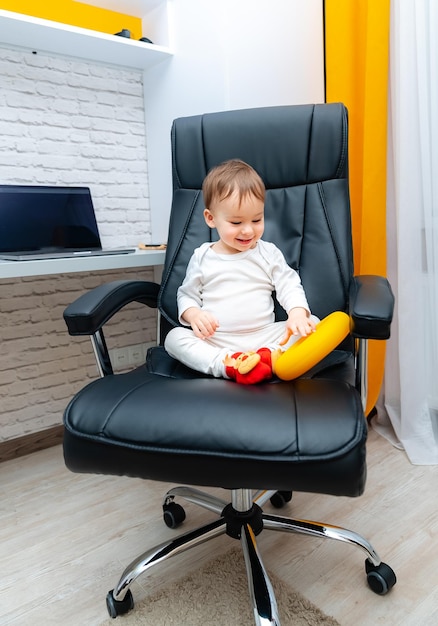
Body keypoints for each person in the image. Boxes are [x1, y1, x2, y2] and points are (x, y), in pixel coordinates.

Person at [164, 158, 319, 384]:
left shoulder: (268, 252)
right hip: (218, 340)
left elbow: (289, 284)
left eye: (257, 219)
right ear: (211, 218)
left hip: (264, 336)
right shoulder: (202, 257)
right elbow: (186, 295)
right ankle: (229, 364)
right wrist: (194, 315)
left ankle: (266, 357)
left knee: (313, 323)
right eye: (236, 223)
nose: (248, 230)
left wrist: (297, 313)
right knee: (174, 338)